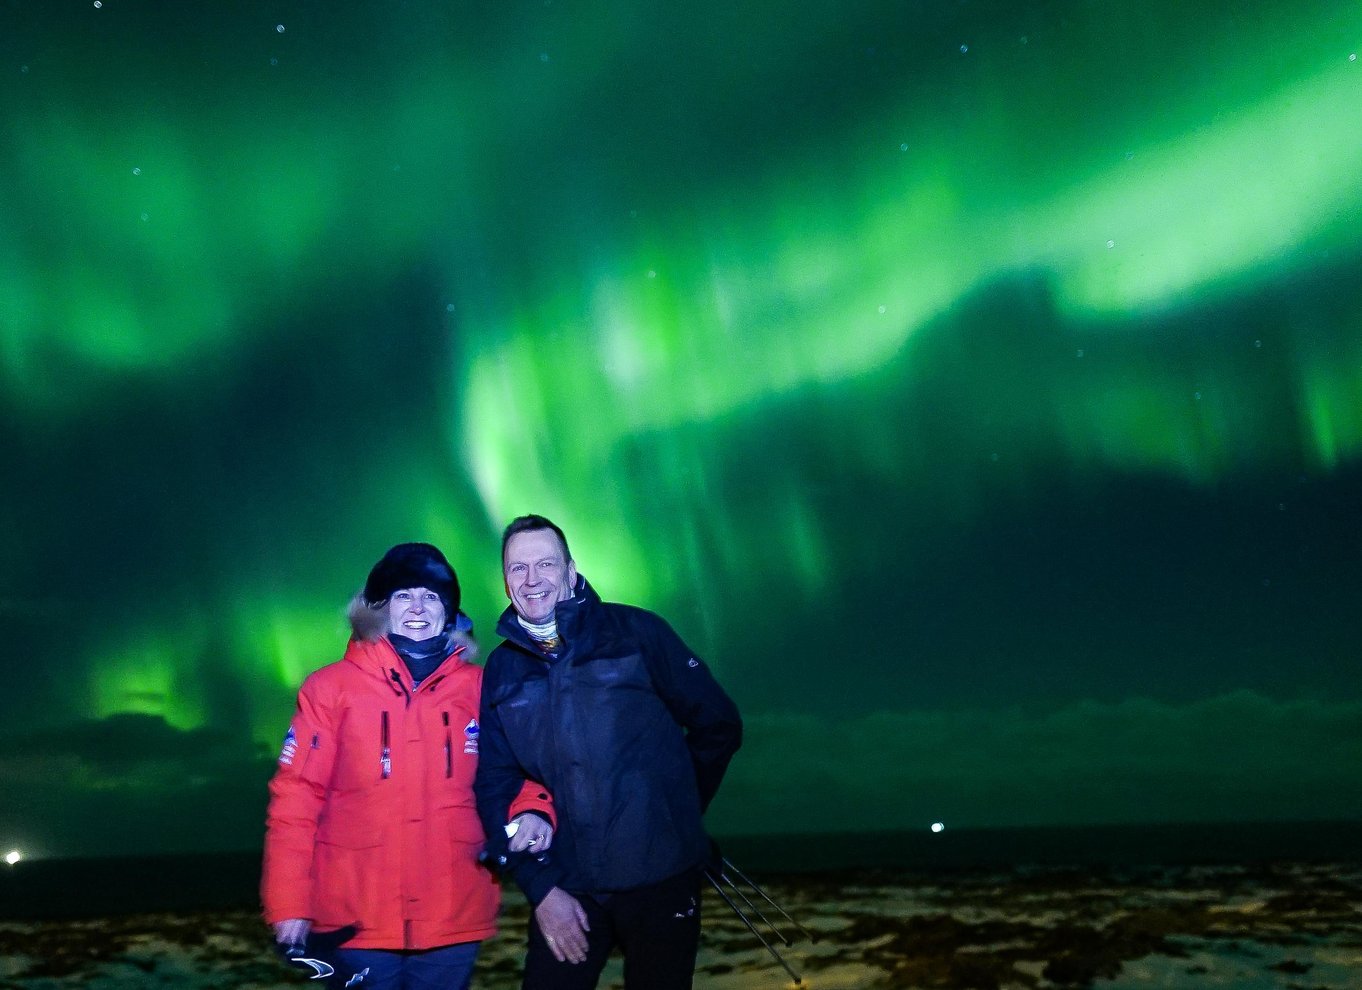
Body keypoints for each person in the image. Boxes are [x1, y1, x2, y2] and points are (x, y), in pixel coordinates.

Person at [262, 542, 556, 990]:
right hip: (354, 917)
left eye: (432, 596)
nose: (418, 607)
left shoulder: (482, 688)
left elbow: (523, 769)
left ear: (449, 610)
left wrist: (534, 808)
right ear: (380, 608)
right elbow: (296, 799)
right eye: (403, 596)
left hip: (453, 912)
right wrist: (289, 905)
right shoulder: (330, 689)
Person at [474, 515, 743, 990]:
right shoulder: (502, 668)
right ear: (505, 579)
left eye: (545, 564)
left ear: (571, 570)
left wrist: (675, 811)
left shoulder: (637, 632)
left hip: (661, 876)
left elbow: (717, 723)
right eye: (518, 568)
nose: (532, 580)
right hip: (567, 886)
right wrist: (542, 890)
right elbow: (497, 779)